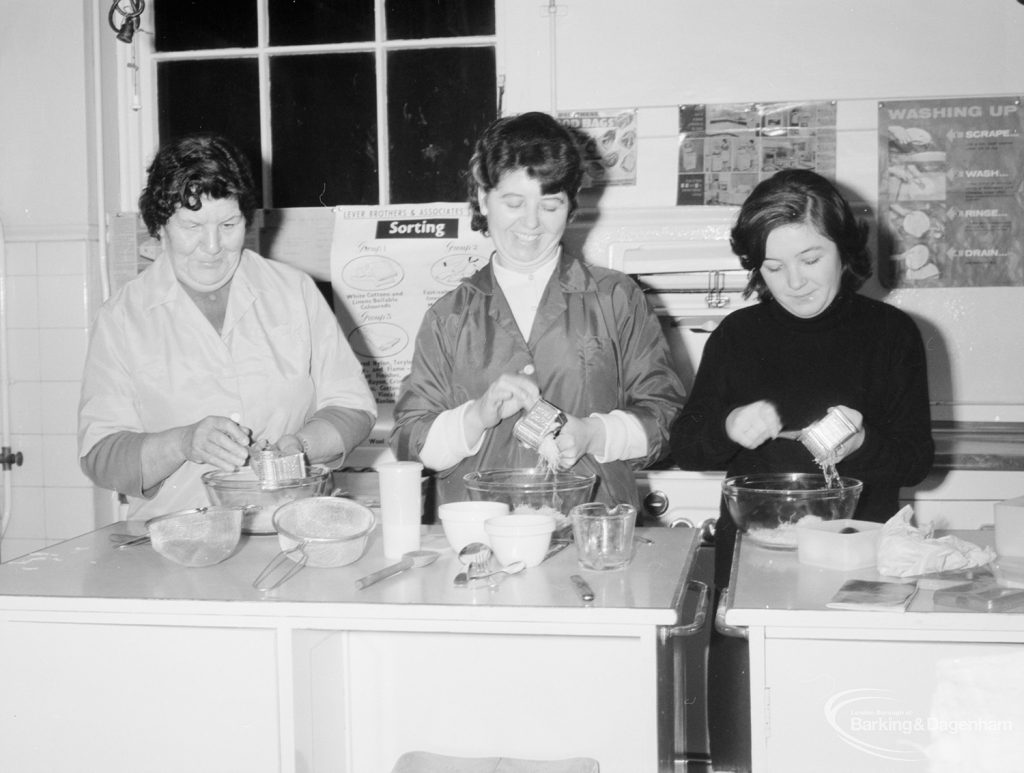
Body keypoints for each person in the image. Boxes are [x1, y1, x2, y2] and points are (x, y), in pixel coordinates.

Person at [670, 168, 934, 771]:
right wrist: (726, 427)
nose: (794, 281)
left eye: (811, 258)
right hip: (756, 566)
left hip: (861, 573)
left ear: (845, 248)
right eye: (772, 267)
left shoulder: (891, 335)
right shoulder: (738, 336)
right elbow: (688, 446)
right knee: (750, 741)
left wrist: (861, 442)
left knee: (857, 735)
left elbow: (918, 460)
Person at [390, 111, 684, 507]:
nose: (531, 223)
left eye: (550, 205)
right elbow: (409, 440)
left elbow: (665, 415)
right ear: (483, 197)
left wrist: (594, 434)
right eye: (514, 202)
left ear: (571, 206)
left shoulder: (617, 298)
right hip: (483, 536)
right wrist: (475, 417)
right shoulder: (449, 317)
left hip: (591, 528)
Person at [78, 133, 376, 521]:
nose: (213, 245)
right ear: (160, 227)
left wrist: (298, 447)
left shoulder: (294, 291)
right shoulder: (122, 318)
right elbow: (101, 456)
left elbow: (353, 408)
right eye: (192, 226)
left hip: (289, 530)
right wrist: (183, 443)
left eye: (228, 224)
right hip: (175, 543)